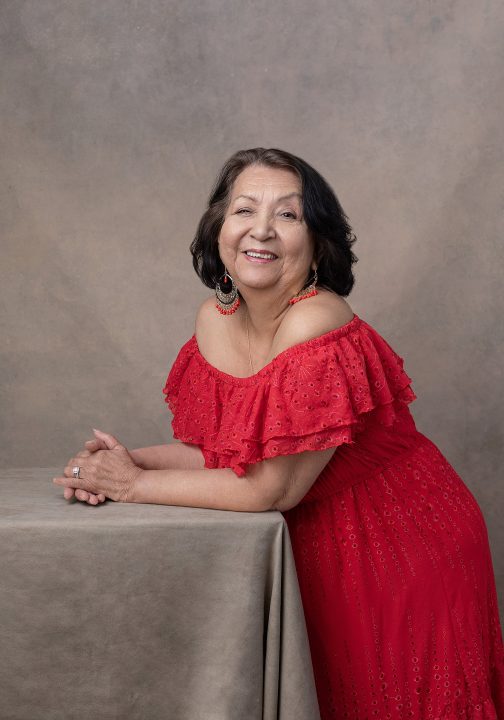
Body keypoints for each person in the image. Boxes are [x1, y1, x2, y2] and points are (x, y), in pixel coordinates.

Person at [54, 147, 504, 719]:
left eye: (288, 215)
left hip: (399, 544)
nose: (260, 230)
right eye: (244, 210)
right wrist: (122, 462)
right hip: (309, 544)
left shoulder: (318, 321)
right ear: (219, 227)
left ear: (316, 244)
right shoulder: (213, 319)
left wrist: (131, 487)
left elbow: (269, 489)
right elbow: (222, 455)